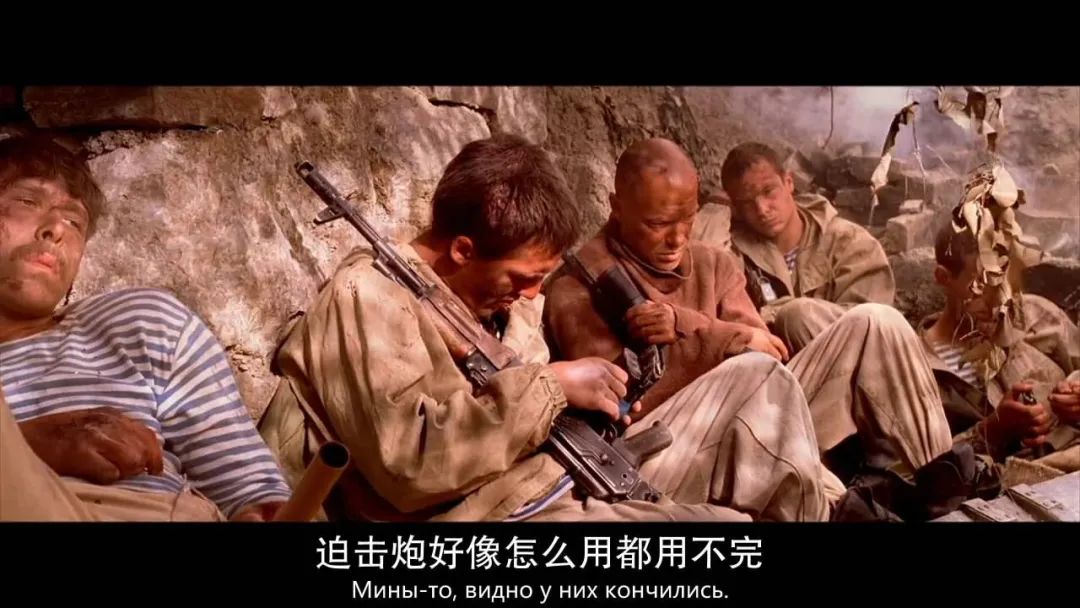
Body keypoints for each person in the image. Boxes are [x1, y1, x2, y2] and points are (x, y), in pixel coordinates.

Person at [259, 134, 830, 523]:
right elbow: (411, 466)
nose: (534, 294)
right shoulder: (369, 297)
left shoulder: (499, 307)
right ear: (463, 250)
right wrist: (553, 385)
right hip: (498, 513)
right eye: (523, 278)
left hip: (562, 475)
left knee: (759, 379)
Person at [544, 138, 955, 511]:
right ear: (617, 208)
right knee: (755, 376)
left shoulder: (713, 262)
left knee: (876, 321)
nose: (678, 239)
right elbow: (625, 409)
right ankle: (839, 508)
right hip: (668, 450)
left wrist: (684, 326)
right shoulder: (580, 286)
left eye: (688, 218)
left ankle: (946, 483)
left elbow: (769, 351)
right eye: (658, 224)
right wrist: (723, 342)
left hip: (762, 417)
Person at [0, 135, 291, 522]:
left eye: (75, 222)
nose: (57, 229)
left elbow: (249, 489)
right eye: (27, 201)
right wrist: (33, 443)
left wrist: (267, 511)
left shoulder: (139, 320)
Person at [919, 225, 1079, 473]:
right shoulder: (918, 368)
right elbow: (918, 473)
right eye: (981, 285)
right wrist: (994, 430)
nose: (1000, 302)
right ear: (944, 277)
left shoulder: (1037, 315)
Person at [719, 142, 895, 354]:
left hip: (848, 365)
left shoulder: (851, 243)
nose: (762, 209)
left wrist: (777, 315)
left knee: (797, 314)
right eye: (747, 202)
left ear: (789, 182)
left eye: (768, 191)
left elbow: (872, 331)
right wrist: (716, 208)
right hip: (775, 369)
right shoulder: (735, 252)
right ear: (736, 208)